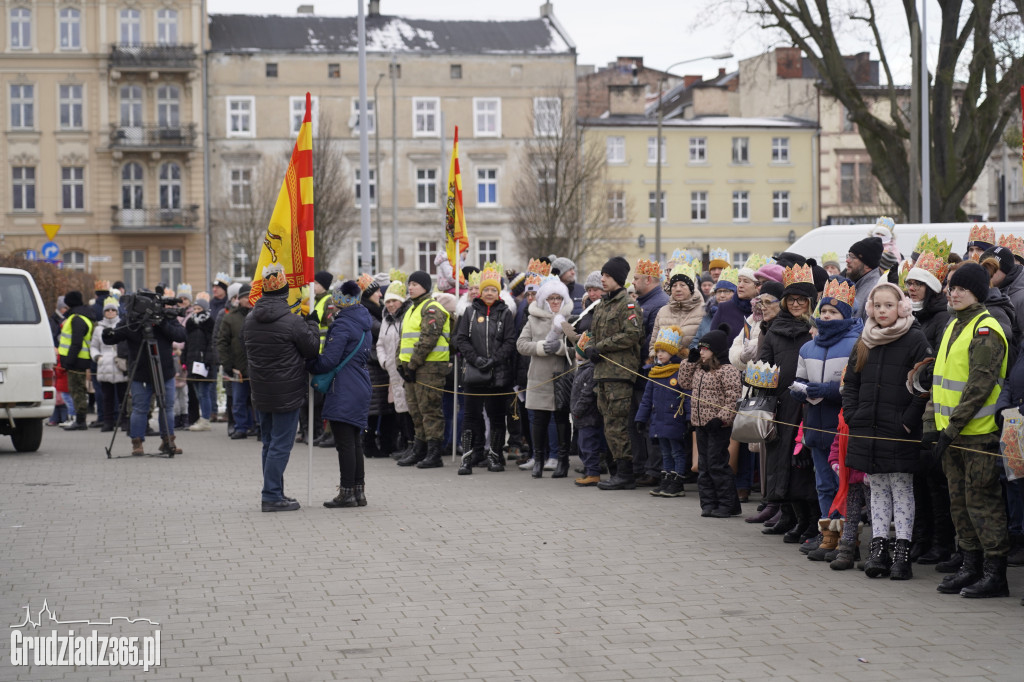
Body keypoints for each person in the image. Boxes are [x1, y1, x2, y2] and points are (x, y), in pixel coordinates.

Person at [932, 261, 1011, 598]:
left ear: (978, 292)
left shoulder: (985, 328)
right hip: (951, 434)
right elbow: (938, 382)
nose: (954, 292)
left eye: (962, 287)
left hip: (977, 434)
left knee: (982, 502)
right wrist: (931, 428)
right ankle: (970, 565)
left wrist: (953, 427)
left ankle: (995, 574)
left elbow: (979, 386)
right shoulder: (953, 325)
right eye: (952, 286)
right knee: (959, 502)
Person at [843, 282, 931, 580]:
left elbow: (923, 385)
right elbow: (851, 383)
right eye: (877, 305)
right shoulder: (864, 341)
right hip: (868, 426)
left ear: (902, 307)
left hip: (900, 428)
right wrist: (854, 415)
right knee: (877, 488)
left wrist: (909, 419)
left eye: (889, 305)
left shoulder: (915, 338)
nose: (882, 311)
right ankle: (878, 548)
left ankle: (902, 551)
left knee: (902, 488)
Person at [243, 264, 321, 512]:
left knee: (268, 442)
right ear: (286, 292)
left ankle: (274, 491)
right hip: (287, 391)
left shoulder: (250, 319)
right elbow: (311, 349)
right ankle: (272, 495)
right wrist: (313, 324)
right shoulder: (292, 321)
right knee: (280, 444)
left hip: (261, 390)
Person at [792, 276, 862, 552]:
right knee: (822, 483)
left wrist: (830, 390)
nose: (827, 317)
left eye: (833, 312)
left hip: (840, 426)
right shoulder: (808, 347)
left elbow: (855, 385)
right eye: (823, 312)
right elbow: (799, 378)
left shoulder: (855, 343)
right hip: (814, 424)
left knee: (842, 483)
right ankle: (827, 534)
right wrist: (798, 391)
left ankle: (847, 535)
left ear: (844, 315)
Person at [905, 251, 956, 564]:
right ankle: (921, 539)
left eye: (918, 284)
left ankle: (941, 542)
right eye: (909, 283)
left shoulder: (941, 319)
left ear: (933, 288)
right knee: (916, 481)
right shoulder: (913, 317)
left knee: (935, 482)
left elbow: (933, 364)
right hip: (911, 409)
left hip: (931, 410)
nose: (912, 288)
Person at [759, 265, 815, 541]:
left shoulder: (816, 329)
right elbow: (763, 363)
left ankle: (810, 521)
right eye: (791, 299)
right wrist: (758, 381)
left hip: (808, 406)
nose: (795, 304)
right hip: (781, 405)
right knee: (781, 464)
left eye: (801, 300)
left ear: (810, 302)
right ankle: (791, 515)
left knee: (802, 465)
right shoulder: (774, 330)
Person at [308, 280, 374, 508]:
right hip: (360, 384)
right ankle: (359, 491)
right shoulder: (363, 320)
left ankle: (347, 493)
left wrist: (310, 362)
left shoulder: (343, 324)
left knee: (345, 443)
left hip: (344, 386)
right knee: (354, 441)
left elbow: (329, 361)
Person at [583, 257, 644, 490]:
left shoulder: (627, 305)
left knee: (618, 425)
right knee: (608, 423)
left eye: (606, 276)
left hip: (620, 373)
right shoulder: (602, 305)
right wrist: (590, 347)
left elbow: (632, 334)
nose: (602, 280)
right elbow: (594, 333)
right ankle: (616, 470)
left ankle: (626, 473)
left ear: (617, 278)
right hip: (602, 373)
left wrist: (600, 346)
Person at [102, 291, 187, 456]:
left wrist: (162, 323)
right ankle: (137, 442)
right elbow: (112, 338)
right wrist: (107, 333)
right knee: (140, 408)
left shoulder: (165, 317)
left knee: (166, 407)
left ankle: (168, 441)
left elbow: (181, 335)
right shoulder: (132, 321)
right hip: (140, 372)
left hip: (165, 371)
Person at [455, 262, 517, 475]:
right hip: (474, 373)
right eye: (486, 289)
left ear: (498, 292)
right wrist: (476, 359)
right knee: (471, 416)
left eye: (493, 289)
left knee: (497, 416)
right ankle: (468, 457)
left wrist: (494, 360)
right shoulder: (470, 312)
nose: (489, 293)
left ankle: (495, 456)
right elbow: (461, 339)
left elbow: (510, 342)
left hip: (498, 374)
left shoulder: (505, 313)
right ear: (480, 292)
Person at [678, 324, 742, 516]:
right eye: (700, 348)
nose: (701, 352)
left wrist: (721, 418)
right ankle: (708, 503)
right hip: (700, 424)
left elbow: (733, 398)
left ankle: (727, 504)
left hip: (717, 425)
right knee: (704, 465)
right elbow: (684, 382)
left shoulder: (727, 370)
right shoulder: (699, 369)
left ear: (716, 350)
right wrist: (688, 362)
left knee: (717, 464)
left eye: (705, 349)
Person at [517, 275, 573, 478]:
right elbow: (521, 345)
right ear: (544, 300)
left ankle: (562, 461)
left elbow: (578, 349)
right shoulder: (533, 319)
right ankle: (538, 460)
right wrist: (540, 347)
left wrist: (560, 348)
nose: (555, 301)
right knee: (538, 420)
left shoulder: (571, 318)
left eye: (559, 297)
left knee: (561, 420)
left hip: (562, 377)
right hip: (538, 377)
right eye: (551, 298)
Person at [396, 270, 451, 469]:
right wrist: (400, 365)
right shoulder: (411, 308)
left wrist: (411, 365)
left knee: (430, 410)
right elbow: (403, 340)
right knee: (416, 410)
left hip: (429, 369)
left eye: (415, 284)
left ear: (426, 287)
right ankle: (420, 448)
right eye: (409, 284)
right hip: (412, 369)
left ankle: (434, 453)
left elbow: (428, 339)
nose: (410, 287)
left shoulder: (431, 308)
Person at [636, 326, 690, 498]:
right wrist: (641, 418)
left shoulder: (680, 371)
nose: (660, 354)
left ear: (673, 353)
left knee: (677, 451)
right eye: (658, 351)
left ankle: (677, 481)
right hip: (658, 420)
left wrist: (689, 418)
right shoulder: (655, 373)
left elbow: (687, 396)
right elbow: (646, 399)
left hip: (675, 419)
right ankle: (666, 478)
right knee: (665, 451)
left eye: (664, 351)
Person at [218, 283, 255, 440]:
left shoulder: (258, 315)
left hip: (255, 368)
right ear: (239, 299)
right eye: (245, 297)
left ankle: (257, 427)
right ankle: (241, 428)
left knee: (256, 400)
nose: (248, 300)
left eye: (250, 296)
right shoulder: (230, 318)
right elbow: (222, 342)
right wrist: (228, 365)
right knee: (238, 400)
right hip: (237, 368)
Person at [569, 333, 606, 486]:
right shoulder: (583, 369)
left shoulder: (590, 371)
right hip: (581, 417)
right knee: (583, 445)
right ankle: (589, 470)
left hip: (587, 416)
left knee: (589, 445)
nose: (575, 352)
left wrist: (577, 411)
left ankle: (593, 473)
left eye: (577, 349)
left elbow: (586, 394)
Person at [57, 290, 95, 431]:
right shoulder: (82, 316)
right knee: (78, 390)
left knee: (77, 390)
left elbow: (76, 343)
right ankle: (80, 419)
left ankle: (80, 420)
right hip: (80, 359)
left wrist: (68, 362)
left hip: (76, 360)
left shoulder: (76, 318)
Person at [89, 298, 128, 432]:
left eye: (113, 310)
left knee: (123, 396)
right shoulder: (98, 328)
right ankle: (108, 422)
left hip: (120, 364)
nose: (110, 312)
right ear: (104, 312)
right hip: (104, 365)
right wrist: (97, 357)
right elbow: (93, 346)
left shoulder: (122, 325)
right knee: (107, 397)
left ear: (117, 312)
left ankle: (124, 421)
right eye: (107, 310)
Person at [650, 263, 704, 358]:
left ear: (691, 288)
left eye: (682, 285)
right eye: (674, 285)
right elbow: (653, 343)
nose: (678, 289)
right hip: (665, 367)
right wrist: (655, 358)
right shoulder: (662, 311)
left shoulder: (704, 311)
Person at [185, 298, 216, 431]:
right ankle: (203, 416)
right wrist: (184, 359)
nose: (196, 311)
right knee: (197, 392)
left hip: (205, 363)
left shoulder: (210, 323)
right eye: (195, 309)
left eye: (199, 309)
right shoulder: (190, 323)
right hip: (193, 362)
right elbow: (187, 343)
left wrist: (208, 359)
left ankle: (205, 419)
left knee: (204, 392)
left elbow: (212, 343)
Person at [846, 236, 884, 319]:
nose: (847, 260)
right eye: (848, 256)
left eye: (853, 257)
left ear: (867, 265)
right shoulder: (858, 283)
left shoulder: (872, 292)